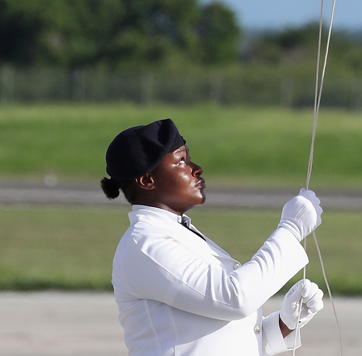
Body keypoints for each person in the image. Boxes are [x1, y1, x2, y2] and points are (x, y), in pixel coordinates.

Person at [100, 118, 324, 355]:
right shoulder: (145, 244)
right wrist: (290, 229)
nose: (196, 169)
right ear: (147, 180)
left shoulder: (175, 231)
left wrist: (284, 325)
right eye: (181, 161)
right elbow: (235, 298)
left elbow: (217, 340)